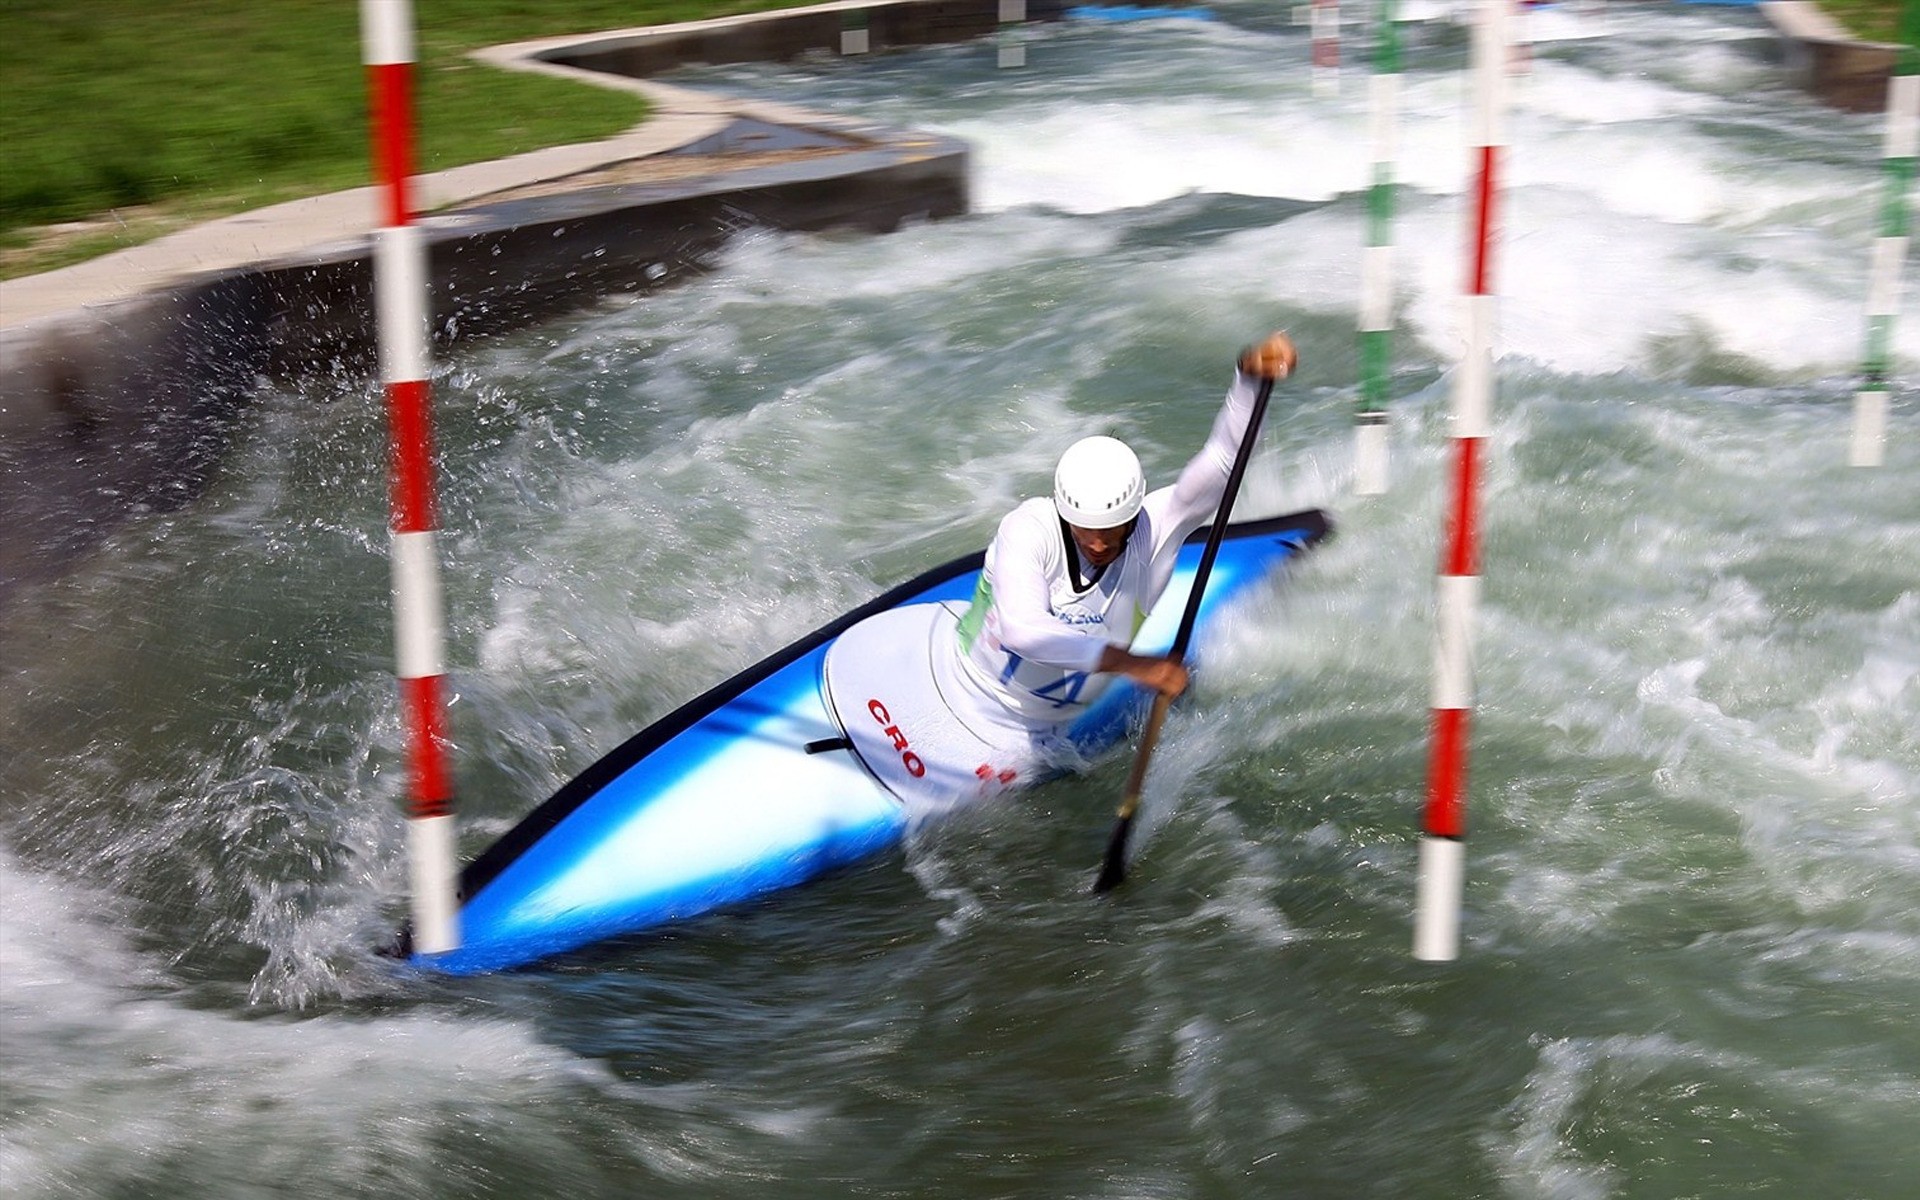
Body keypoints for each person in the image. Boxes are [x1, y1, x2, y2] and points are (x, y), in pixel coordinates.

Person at [929, 331, 1299, 786]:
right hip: (960, 688)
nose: (1100, 544)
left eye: (1112, 530)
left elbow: (1225, 459)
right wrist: (1137, 665)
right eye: (1086, 530)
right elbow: (1021, 631)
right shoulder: (1028, 528)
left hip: (1042, 734)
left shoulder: (1158, 526)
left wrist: (1248, 378)